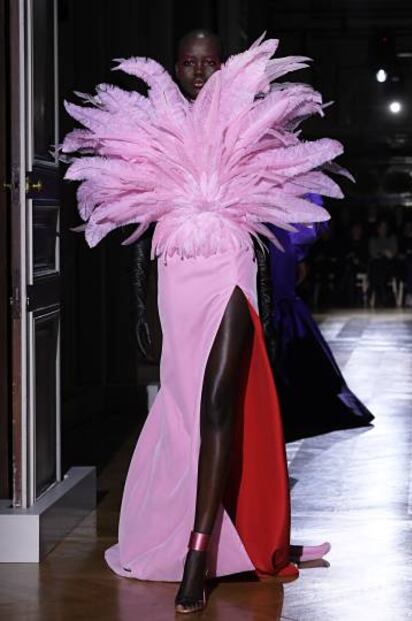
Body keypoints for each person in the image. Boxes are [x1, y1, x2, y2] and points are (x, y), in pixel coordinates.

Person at [62, 30, 346, 614]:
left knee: (218, 401)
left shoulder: (250, 118)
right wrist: (142, 309)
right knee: (186, 405)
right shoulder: (152, 126)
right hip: (176, 274)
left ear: (224, 66)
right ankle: (192, 530)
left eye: (208, 61)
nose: (197, 70)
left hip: (231, 270)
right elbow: (135, 232)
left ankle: (199, 552)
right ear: (175, 68)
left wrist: (267, 309)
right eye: (188, 62)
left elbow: (275, 218)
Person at [266, 207, 374, 441]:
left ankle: (283, 404)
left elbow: (304, 200)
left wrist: (297, 252)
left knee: (279, 305)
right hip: (249, 235)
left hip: (273, 237)